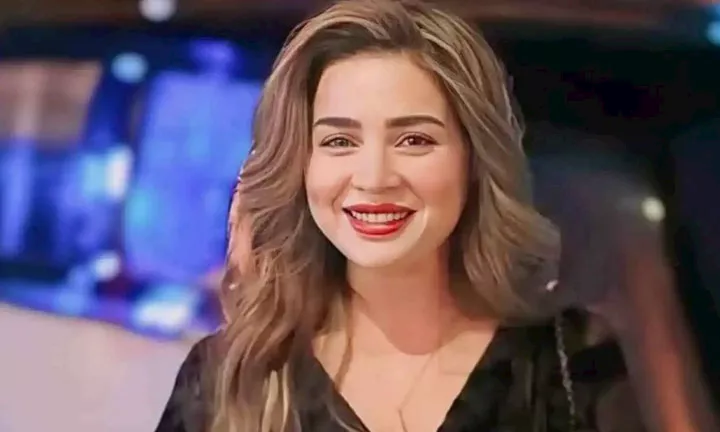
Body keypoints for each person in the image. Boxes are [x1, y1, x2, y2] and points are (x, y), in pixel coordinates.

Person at [156, 0, 644, 431]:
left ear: (474, 160)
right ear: (301, 164)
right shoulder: (224, 382)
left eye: (414, 140)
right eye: (339, 141)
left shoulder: (572, 364)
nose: (374, 178)